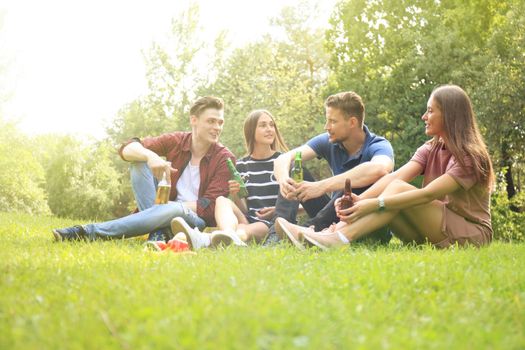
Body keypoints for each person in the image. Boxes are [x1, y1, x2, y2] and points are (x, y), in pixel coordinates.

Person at [278, 85, 494, 249]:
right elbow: (394, 177)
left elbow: (428, 194)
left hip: (471, 234)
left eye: (430, 111)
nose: (424, 117)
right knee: (395, 186)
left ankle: (338, 237)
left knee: (398, 191)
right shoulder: (430, 148)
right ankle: (329, 233)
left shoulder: (469, 155)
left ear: (449, 115)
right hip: (434, 231)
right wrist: (360, 201)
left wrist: (373, 204)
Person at [52, 96, 234, 242]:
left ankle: (87, 232)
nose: (217, 127)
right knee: (138, 161)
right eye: (211, 121)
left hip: (192, 219)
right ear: (194, 120)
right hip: (161, 208)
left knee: (174, 209)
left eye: (220, 122)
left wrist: (169, 207)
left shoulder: (225, 159)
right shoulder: (177, 141)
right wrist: (150, 156)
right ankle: (160, 232)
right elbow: (127, 148)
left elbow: (208, 207)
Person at [171, 109, 330, 249]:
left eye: (271, 125)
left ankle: (200, 239)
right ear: (251, 130)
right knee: (221, 200)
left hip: (271, 223)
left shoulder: (285, 162)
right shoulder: (240, 165)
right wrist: (235, 195)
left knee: (244, 230)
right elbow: (245, 209)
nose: (269, 129)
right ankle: (226, 234)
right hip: (248, 219)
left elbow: (304, 199)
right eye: (263, 125)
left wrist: (276, 210)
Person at [271, 91, 395, 245]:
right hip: (334, 214)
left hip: (368, 220)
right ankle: (276, 236)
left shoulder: (378, 145)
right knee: (294, 170)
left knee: (353, 181)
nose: (326, 127)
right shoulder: (329, 141)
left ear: (352, 122)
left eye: (332, 121)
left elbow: (379, 169)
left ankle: (308, 230)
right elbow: (284, 158)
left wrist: (321, 186)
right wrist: (284, 181)